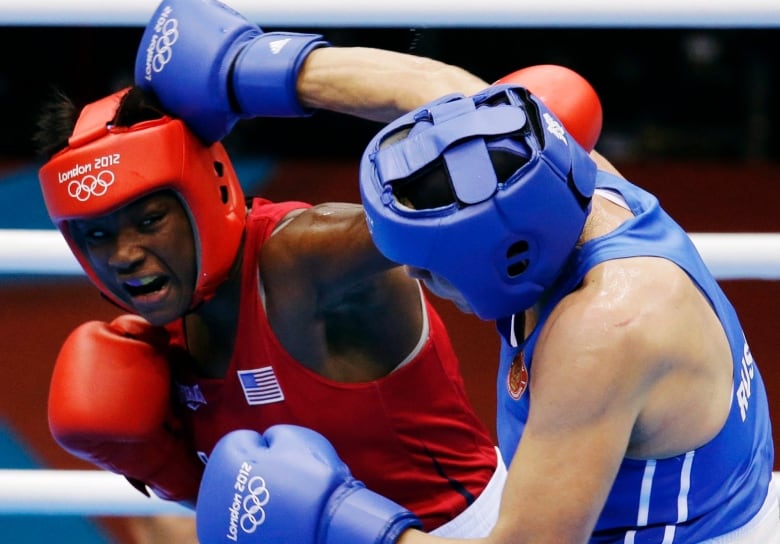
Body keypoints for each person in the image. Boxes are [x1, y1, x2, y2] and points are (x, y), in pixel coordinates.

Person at [37, 0, 601, 540]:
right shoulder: (159, 328)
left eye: (150, 218)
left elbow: (447, 200)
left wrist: (521, 147)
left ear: (204, 192)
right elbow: (257, 501)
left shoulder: (302, 259)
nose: (123, 254)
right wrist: (166, 469)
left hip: (457, 536)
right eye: (96, 235)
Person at [190, 37, 778, 544]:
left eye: (431, 266)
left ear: (507, 259)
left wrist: (341, 523)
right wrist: (245, 64)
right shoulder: (554, 174)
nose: (417, 280)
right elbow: (436, 90)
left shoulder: (603, 329)